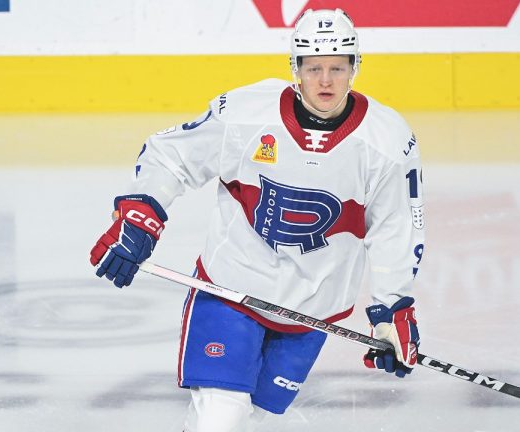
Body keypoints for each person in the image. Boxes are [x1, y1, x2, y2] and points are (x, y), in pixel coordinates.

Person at [90, 8, 425, 432]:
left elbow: (396, 228)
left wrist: (391, 309)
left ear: (355, 68)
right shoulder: (246, 113)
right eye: (314, 67)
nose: (325, 80)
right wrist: (142, 215)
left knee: (251, 422)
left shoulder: (387, 141)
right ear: (295, 68)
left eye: (338, 67)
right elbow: (171, 156)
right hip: (230, 288)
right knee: (221, 419)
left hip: (313, 310)